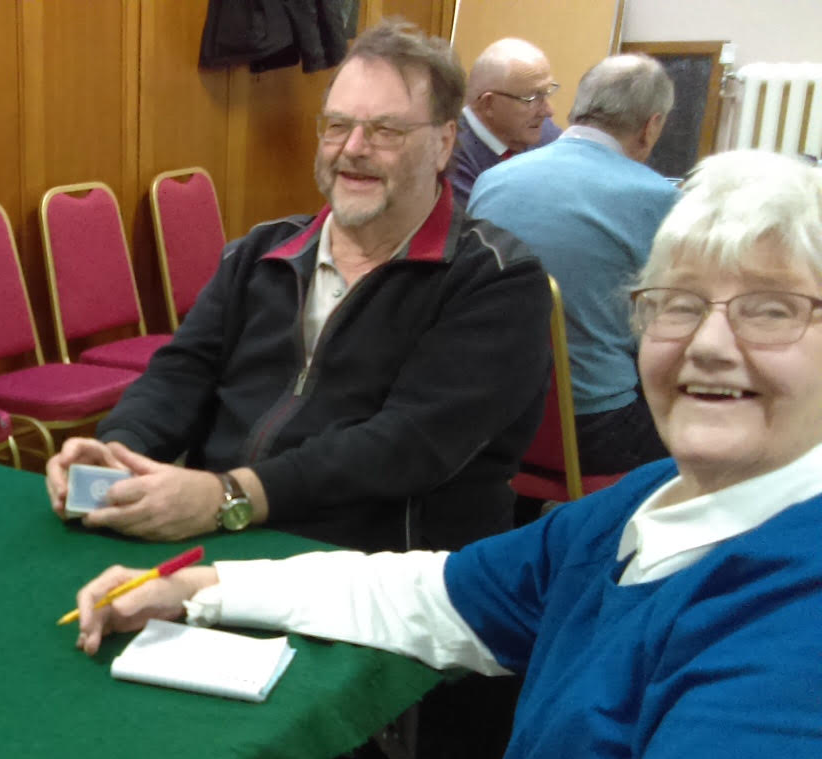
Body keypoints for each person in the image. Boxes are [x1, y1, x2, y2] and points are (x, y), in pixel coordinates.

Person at [73, 150, 822, 759]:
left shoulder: (798, 615)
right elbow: (432, 594)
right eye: (680, 305)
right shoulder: (642, 504)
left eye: (771, 309)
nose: (708, 344)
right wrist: (200, 588)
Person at [46, 19, 550, 557]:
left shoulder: (497, 279)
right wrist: (119, 450)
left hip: (383, 569)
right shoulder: (258, 253)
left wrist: (229, 495)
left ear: (444, 143)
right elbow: (182, 372)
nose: (353, 148)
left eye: (385, 131)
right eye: (337, 125)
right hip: (224, 539)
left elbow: (409, 444)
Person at [470, 54, 678, 477]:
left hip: (489, 419)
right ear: (651, 125)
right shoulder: (660, 199)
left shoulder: (491, 180)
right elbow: (671, 326)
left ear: (575, 109)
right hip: (595, 431)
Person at [448, 38, 562, 209]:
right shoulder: (450, 155)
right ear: (488, 104)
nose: (549, 111)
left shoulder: (545, 133)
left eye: (546, 93)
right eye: (531, 98)